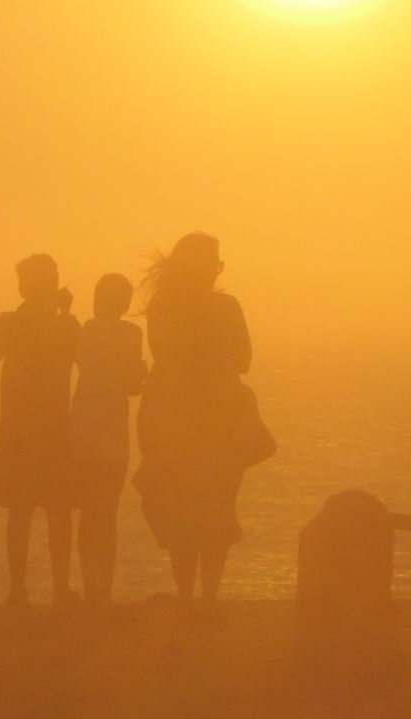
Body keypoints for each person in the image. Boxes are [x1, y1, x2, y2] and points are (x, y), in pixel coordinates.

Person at [133, 233, 274, 621]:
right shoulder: (225, 307)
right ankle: (208, 598)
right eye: (213, 263)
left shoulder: (163, 308)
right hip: (216, 423)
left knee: (184, 515)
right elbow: (242, 360)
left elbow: (167, 359)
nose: (215, 271)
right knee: (216, 512)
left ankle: (188, 598)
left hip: (175, 423)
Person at [0, 254, 80, 607]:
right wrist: (65, 313)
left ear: (23, 286)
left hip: (19, 430)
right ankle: (59, 588)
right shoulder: (65, 324)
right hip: (53, 428)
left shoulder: (9, 320)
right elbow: (78, 356)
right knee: (57, 513)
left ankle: (18, 589)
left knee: (20, 512)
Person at [70, 273, 146, 606]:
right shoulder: (131, 333)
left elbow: (87, 366)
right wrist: (135, 369)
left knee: (89, 513)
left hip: (86, 427)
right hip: (113, 429)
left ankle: (92, 587)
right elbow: (132, 385)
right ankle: (105, 588)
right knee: (108, 512)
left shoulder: (88, 330)